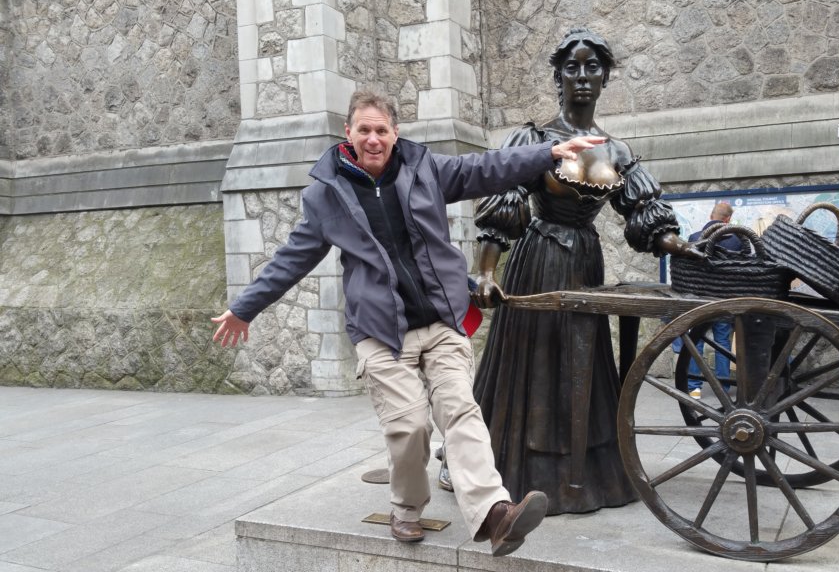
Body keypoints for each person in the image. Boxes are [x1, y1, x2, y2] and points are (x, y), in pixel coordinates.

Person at [210, 90, 606, 557]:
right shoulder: (325, 195)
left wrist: (548, 153)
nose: (373, 139)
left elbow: (486, 168)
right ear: (349, 133)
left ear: (395, 133)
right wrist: (244, 308)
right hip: (381, 333)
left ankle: (495, 514)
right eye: (364, 130)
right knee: (410, 426)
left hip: (440, 321)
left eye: (381, 130)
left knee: (460, 410)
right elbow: (291, 259)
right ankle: (406, 507)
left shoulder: (425, 169)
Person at [470, 28, 692, 516]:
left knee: (583, 361)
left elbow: (644, 213)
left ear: (605, 77)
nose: (583, 76)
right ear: (559, 78)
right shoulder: (534, 139)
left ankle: (589, 474)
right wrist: (485, 271)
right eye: (573, 67)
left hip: (586, 260)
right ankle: (518, 469)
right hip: (539, 261)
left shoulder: (616, 150)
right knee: (534, 361)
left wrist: (676, 242)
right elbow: (503, 205)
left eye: (593, 67)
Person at [680, 202, 741, 399]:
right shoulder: (736, 240)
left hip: (698, 299)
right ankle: (722, 387)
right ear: (728, 220)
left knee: (696, 341)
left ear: (710, 215)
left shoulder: (694, 238)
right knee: (722, 342)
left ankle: (694, 387)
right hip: (723, 299)